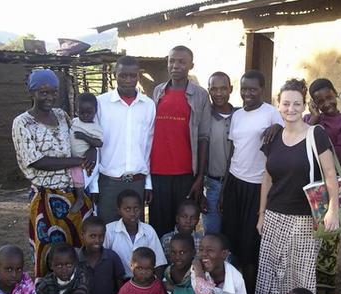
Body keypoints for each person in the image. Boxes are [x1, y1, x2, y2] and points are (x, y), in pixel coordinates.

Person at [254, 79, 340, 294]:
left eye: (296, 103)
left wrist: (332, 209)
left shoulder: (316, 135)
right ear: (278, 105)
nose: (291, 108)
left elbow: (330, 173)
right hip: (274, 216)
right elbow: (267, 177)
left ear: (304, 106)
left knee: (299, 274)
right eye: (286, 103)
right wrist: (261, 215)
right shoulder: (273, 138)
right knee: (271, 272)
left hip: (305, 218)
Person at [12, 68, 93, 278]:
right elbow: (36, 161)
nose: (49, 97)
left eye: (53, 92)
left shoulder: (61, 115)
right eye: (43, 92)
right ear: (32, 93)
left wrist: (91, 148)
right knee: (50, 250)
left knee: (79, 246)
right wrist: (76, 161)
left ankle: (79, 291)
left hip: (73, 194)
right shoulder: (23, 123)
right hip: (46, 197)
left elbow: (77, 138)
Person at [221, 70, 284, 294]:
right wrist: (226, 187)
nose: (247, 93)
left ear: (262, 90)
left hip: (257, 187)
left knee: (250, 246)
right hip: (235, 183)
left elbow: (282, 134)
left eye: (253, 89)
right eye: (244, 89)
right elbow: (233, 153)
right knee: (232, 241)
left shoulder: (271, 114)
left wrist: (277, 128)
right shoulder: (237, 115)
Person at [150, 46, 211, 237]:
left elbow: (203, 138)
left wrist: (200, 177)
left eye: (181, 62)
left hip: (185, 174)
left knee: (184, 228)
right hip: (157, 172)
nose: (175, 66)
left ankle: (183, 267)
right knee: (159, 227)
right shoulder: (158, 92)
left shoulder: (200, 95)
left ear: (191, 65)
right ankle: (161, 267)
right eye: (172, 61)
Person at [307, 78, 341, 294]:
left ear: (336, 93)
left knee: (329, 239)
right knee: (307, 240)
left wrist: (317, 141)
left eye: (329, 97)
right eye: (320, 101)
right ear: (313, 104)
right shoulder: (310, 121)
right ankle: (305, 288)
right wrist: (314, 120)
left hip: (330, 189)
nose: (327, 104)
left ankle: (329, 290)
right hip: (305, 188)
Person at [95, 56, 156, 224]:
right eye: (123, 75)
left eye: (133, 75)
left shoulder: (148, 105)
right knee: (107, 231)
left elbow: (148, 147)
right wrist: (93, 185)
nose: (128, 80)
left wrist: (147, 183)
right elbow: (95, 147)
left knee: (134, 232)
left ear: (138, 76)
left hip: (137, 182)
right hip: (109, 182)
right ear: (115, 74)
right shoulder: (101, 103)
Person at [203, 71, 238, 234]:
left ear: (230, 89)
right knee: (212, 234)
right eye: (214, 89)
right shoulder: (204, 116)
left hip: (238, 185)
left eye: (223, 88)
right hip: (212, 186)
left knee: (234, 234)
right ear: (208, 90)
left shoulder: (241, 115)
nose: (218, 93)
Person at [103, 190, 167, 278]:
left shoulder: (148, 230)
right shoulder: (109, 230)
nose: (132, 213)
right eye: (127, 209)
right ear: (119, 211)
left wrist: (155, 285)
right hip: (118, 281)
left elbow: (159, 263)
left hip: (144, 281)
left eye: (136, 208)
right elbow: (103, 260)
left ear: (141, 209)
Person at [69, 93, 103, 214]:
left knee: (77, 175)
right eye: (81, 112)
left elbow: (99, 143)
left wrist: (84, 137)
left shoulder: (95, 128)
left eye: (89, 112)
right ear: (77, 111)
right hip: (70, 158)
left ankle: (80, 198)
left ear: (95, 111)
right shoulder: (74, 121)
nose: (85, 115)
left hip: (83, 160)